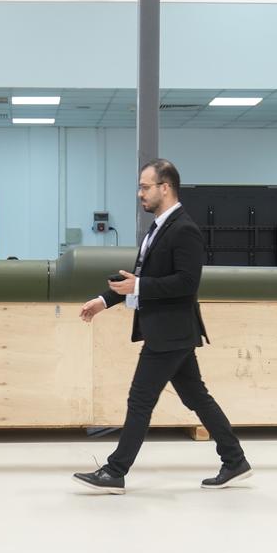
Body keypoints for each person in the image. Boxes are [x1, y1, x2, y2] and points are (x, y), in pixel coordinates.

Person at [73, 159, 251, 494]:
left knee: (140, 400)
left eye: (145, 187)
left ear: (165, 187)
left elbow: (186, 282)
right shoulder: (159, 228)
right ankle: (235, 459)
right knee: (196, 397)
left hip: (170, 332)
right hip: (172, 332)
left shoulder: (185, 230)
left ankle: (115, 471)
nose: (140, 193)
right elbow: (140, 278)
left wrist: (139, 286)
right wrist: (103, 301)